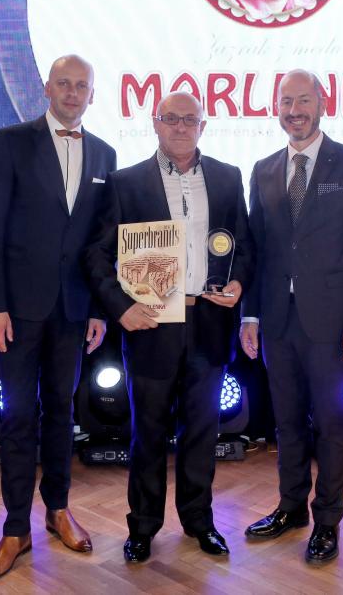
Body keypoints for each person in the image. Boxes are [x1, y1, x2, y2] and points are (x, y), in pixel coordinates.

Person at [84, 91, 254, 563]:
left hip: (209, 320)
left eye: (190, 119)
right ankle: (142, 527)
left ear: (204, 126)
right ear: (155, 124)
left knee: (202, 432)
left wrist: (238, 282)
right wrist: (121, 307)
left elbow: (244, 245)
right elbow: (97, 254)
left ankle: (200, 521)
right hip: (151, 323)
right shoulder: (125, 182)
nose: (181, 127)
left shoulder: (227, 177)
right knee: (148, 432)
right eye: (171, 118)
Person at [0, 54, 117, 582]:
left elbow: (102, 243)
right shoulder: (10, 142)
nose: (72, 92)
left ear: (92, 94)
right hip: (16, 309)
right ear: (47, 88)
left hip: (74, 310)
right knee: (18, 417)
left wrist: (98, 308)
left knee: (62, 412)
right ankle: (15, 529)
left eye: (82, 85)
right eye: (64, 83)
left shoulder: (104, 153)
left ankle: (58, 510)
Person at [240, 69, 343, 563]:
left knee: (332, 424)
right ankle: (291, 508)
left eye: (303, 101)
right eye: (286, 102)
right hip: (277, 321)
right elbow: (256, 252)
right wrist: (249, 316)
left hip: (331, 323)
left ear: (322, 105)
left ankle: (327, 520)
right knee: (286, 423)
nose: (294, 111)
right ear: (275, 109)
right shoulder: (262, 169)